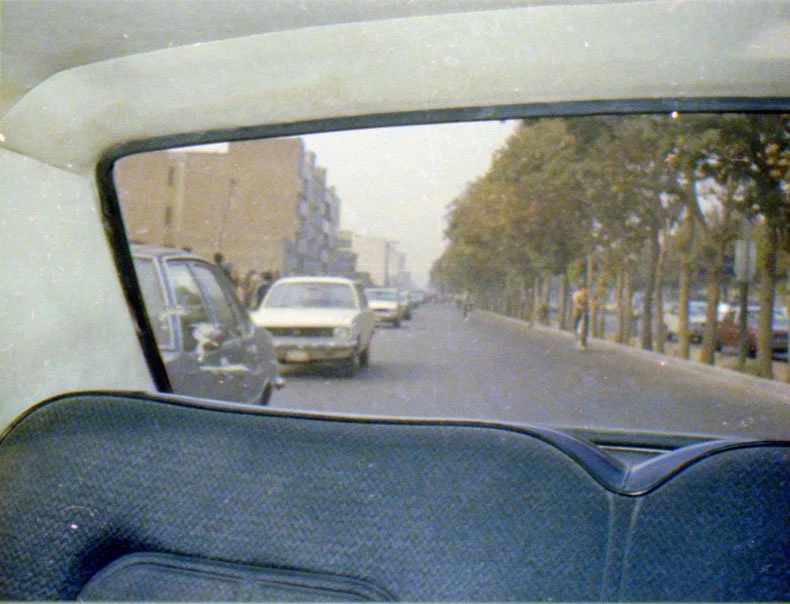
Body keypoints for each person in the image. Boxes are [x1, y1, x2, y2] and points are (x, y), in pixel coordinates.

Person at [572, 284, 590, 350]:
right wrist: (581, 307)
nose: (585, 291)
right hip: (577, 312)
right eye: (584, 290)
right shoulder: (577, 295)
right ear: (582, 289)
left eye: (586, 290)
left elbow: (588, 304)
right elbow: (576, 303)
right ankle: (576, 335)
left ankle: (583, 342)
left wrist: (587, 308)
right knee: (576, 325)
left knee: (585, 327)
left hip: (584, 313)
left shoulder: (586, 296)